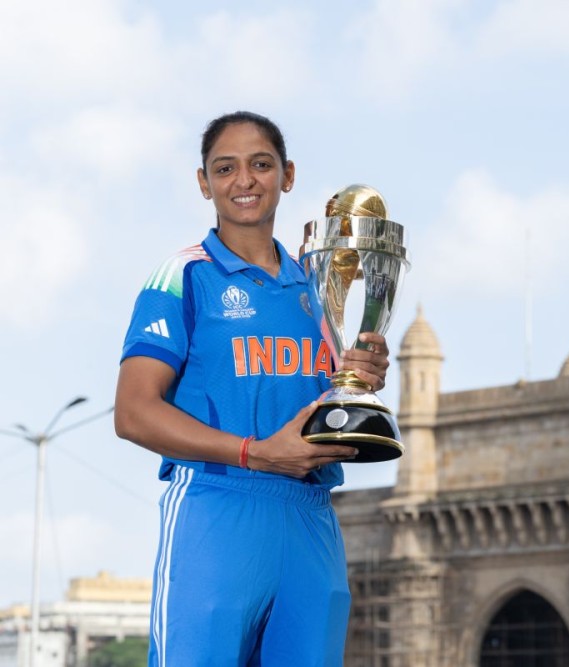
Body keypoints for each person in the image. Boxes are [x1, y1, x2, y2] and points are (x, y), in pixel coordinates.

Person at [114, 111, 388, 666]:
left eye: (260, 165)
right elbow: (133, 413)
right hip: (217, 509)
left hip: (311, 515)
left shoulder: (321, 284)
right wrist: (254, 452)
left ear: (287, 175)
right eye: (225, 168)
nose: (245, 181)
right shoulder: (184, 276)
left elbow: (329, 401)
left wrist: (362, 373)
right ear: (204, 182)